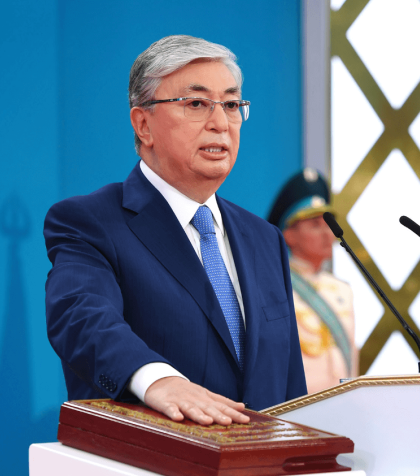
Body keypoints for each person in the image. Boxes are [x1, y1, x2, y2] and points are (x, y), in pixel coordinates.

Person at [44, 35, 307, 426]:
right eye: (197, 104)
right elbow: (82, 319)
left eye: (231, 105)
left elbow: (289, 386)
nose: (221, 123)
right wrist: (158, 380)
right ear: (143, 124)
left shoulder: (264, 239)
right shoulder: (91, 222)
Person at [267, 169, 358, 393]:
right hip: (298, 406)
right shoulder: (273, 285)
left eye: (328, 224)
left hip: (342, 404)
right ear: (289, 235)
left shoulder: (342, 290)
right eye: (315, 225)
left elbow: (351, 359)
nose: (327, 233)